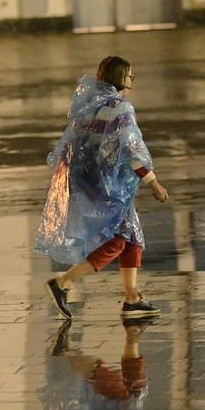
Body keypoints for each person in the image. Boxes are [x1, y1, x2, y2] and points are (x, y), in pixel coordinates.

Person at [36, 56, 169, 320]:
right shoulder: (120, 109)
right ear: (121, 78)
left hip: (90, 183)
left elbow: (73, 145)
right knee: (117, 240)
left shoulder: (88, 105)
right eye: (130, 76)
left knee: (131, 236)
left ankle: (132, 298)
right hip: (111, 188)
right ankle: (63, 283)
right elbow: (132, 150)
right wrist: (152, 181)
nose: (132, 81)